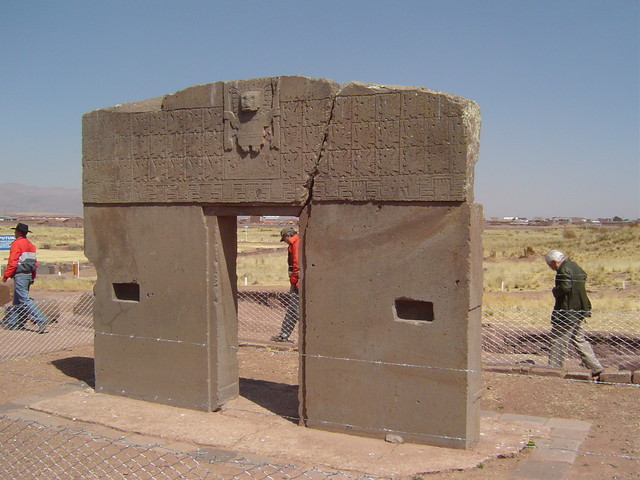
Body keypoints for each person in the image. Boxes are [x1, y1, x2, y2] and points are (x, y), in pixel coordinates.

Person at [544, 250, 603, 378]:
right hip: (579, 309)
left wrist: (555, 290)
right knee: (578, 338)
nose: (550, 268)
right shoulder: (574, 266)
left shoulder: (563, 269)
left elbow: (565, 287)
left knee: (558, 339)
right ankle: (595, 367)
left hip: (567, 311)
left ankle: (554, 370)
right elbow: (583, 276)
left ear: (554, 262)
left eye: (550, 265)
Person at [2, 223, 49, 333]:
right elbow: (34, 263)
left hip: (20, 275)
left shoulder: (16, 244)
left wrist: (5, 276)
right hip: (28, 275)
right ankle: (14, 323)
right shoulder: (30, 245)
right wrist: (32, 276)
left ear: (18, 232)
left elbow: (13, 262)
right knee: (17, 301)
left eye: (15, 232)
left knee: (23, 299)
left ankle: (41, 319)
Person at [271, 227, 300, 342]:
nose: (285, 242)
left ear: (287, 236)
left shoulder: (296, 244)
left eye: (284, 239)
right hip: (298, 281)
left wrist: (294, 281)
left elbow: (297, 265)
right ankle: (284, 334)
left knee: (294, 309)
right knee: (293, 309)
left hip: (298, 282)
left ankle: (284, 335)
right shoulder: (294, 244)